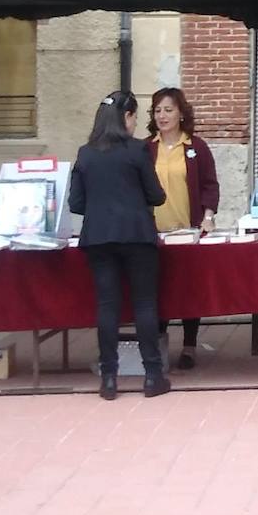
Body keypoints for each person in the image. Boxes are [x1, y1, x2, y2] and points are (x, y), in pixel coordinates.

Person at [69, 90, 170, 400]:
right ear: (125, 117)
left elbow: (76, 202)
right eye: (135, 116)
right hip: (137, 234)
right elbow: (156, 195)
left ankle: (109, 378)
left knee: (107, 305)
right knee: (144, 303)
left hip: (98, 237)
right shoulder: (137, 150)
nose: (136, 122)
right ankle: (152, 375)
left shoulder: (86, 153)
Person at [145, 87, 221, 371]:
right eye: (158, 110)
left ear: (181, 113)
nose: (162, 116)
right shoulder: (145, 148)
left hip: (187, 231)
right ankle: (159, 345)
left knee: (189, 289)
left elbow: (209, 185)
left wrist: (208, 216)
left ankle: (189, 346)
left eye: (168, 110)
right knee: (158, 289)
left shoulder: (196, 147)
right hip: (154, 233)